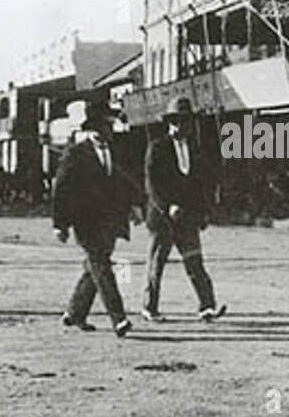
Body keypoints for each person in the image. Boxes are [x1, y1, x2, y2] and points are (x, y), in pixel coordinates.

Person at [51, 98, 135, 337]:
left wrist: (135, 206)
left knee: (94, 267)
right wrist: (60, 224)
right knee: (102, 266)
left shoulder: (116, 151)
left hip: (110, 221)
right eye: (104, 125)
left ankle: (75, 312)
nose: (108, 129)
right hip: (85, 221)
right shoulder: (76, 154)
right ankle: (118, 318)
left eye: (109, 124)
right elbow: (61, 190)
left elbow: (124, 182)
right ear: (94, 128)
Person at [142, 97, 226, 323]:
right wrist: (167, 206)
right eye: (177, 121)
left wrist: (203, 212)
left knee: (195, 262)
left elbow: (200, 183)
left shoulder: (195, 148)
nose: (182, 126)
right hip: (162, 218)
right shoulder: (157, 148)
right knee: (156, 265)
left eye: (186, 121)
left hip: (188, 217)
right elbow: (152, 185)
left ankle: (207, 306)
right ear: (169, 123)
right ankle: (149, 308)